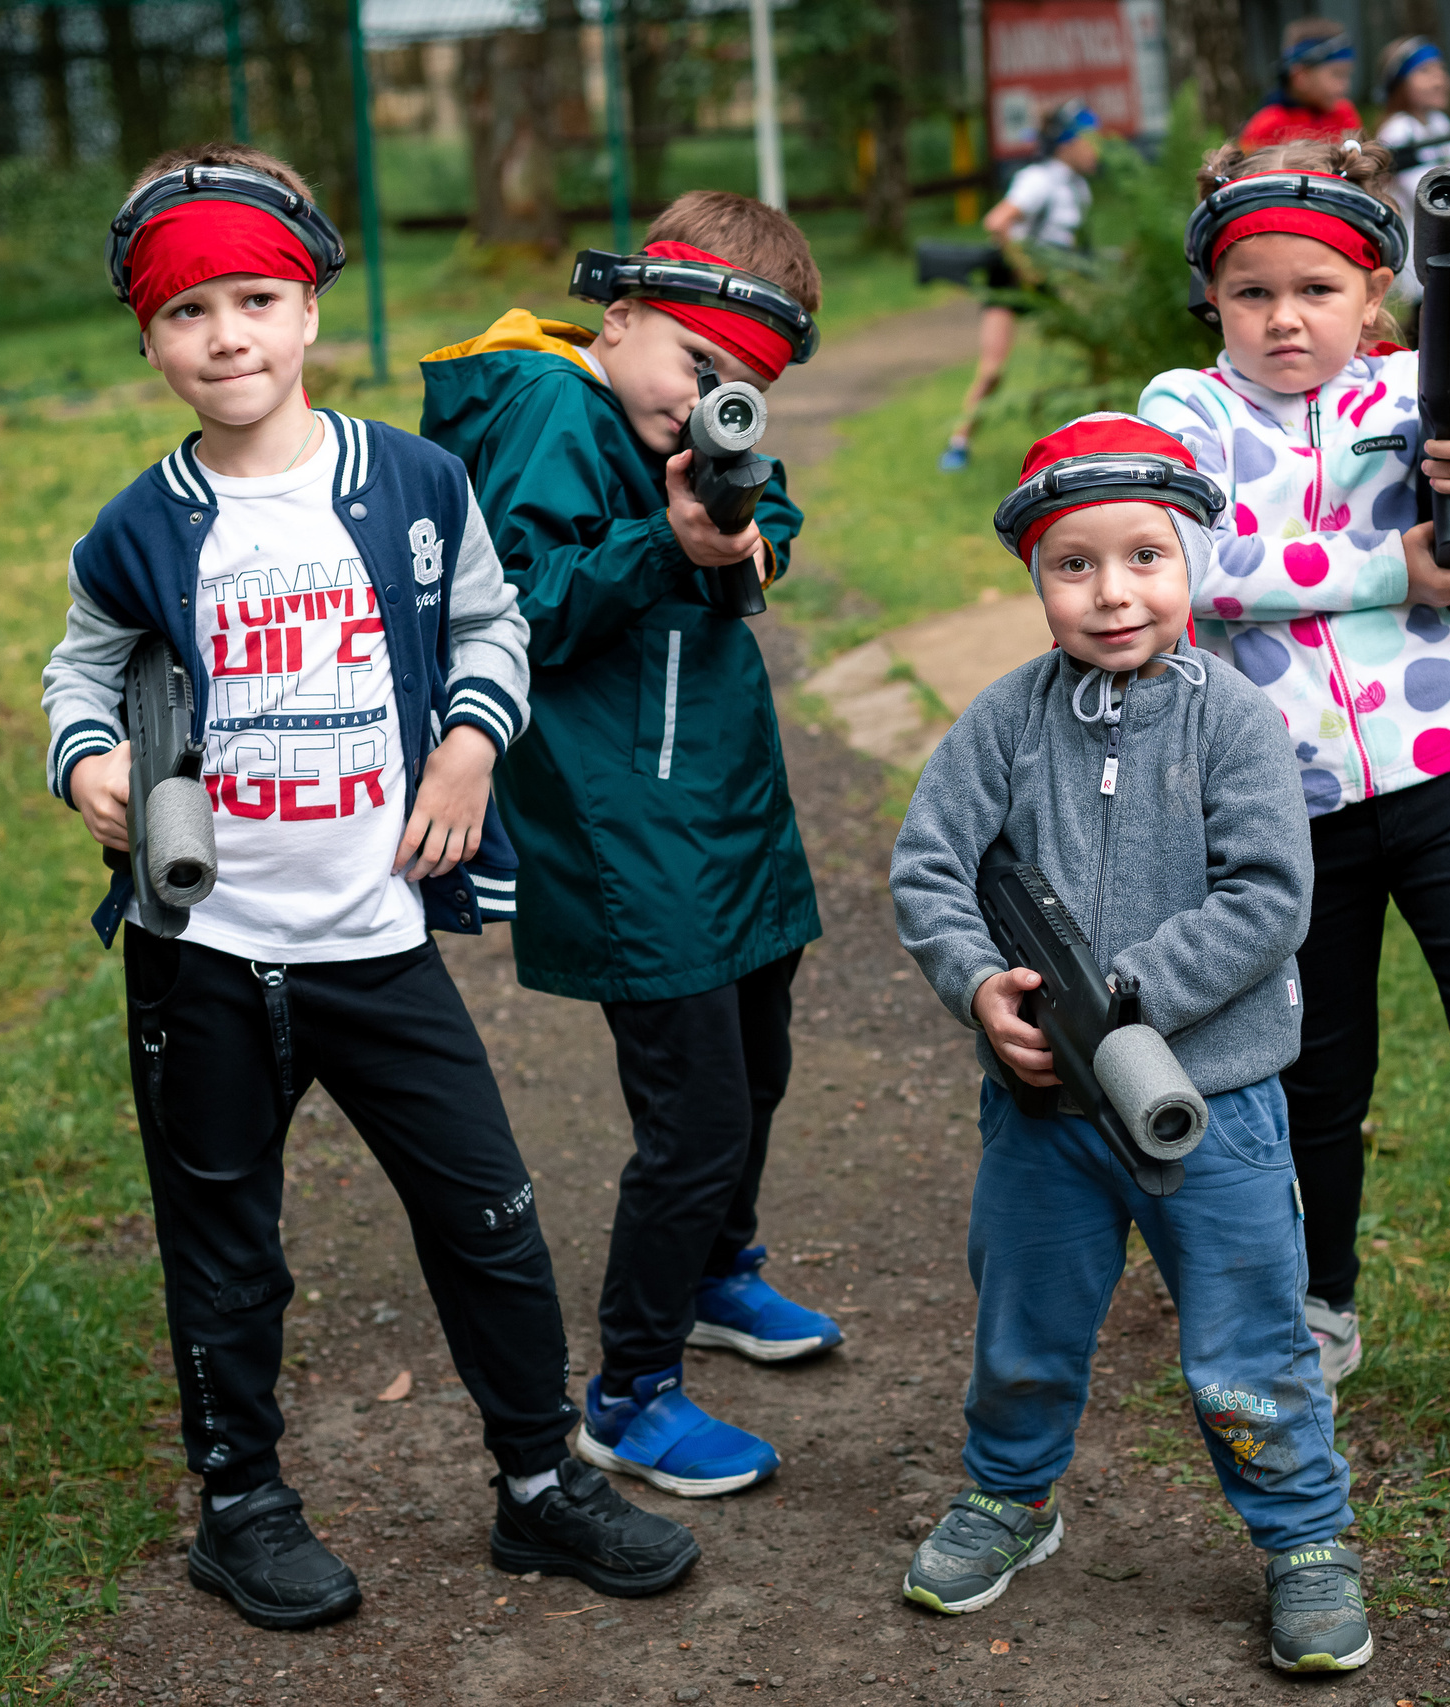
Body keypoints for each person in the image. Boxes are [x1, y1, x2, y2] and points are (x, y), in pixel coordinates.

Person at [41, 143, 702, 1629]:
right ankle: (243, 1504)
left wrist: (470, 748)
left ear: (308, 312)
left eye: (256, 298)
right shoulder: (139, 525)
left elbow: (492, 623)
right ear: (148, 338)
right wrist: (87, 759)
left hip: (371, 939)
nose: (227, 335)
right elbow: (82, 664)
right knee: (225, 1240)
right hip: (204, 951)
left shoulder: (410, 480)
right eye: (189, 310)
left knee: (490, 1212)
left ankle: (541, 1483)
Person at [1140, 137, 1450, 1506]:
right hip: (1276, 799)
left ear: (1373, 296)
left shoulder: (1421, 386)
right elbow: (1191, 562)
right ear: (1213, 303)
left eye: (1317, 289)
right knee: (1311, 1077)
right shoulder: (1186, 409)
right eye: (1251, 291)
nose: (1285, 318)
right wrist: (1380, 561)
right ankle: (1322, 1304)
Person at [888, 413, 1370, 1673]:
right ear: (1035, 580)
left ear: (1193, 562)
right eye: (1074, 564)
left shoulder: (1235, 721)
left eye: (1146, 557)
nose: (1113, 593)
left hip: (1211, 1109)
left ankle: (1304, 1540)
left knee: (1247, 1338)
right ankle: (1009, 1495)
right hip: (1043, 1113)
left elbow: (1269, 896)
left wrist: (1128, 995)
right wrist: (984, 989)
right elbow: (930, 869)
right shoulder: (1004, 719)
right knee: (1025, 1322)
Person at [420, 191, 840, 1502]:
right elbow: (519, 608)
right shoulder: (549, 410)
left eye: (741, 390)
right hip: (627, 829)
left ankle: (717, 1269)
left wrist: (740, 530)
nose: (706, 400)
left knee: (758, 1058)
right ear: (620, 313)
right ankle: (631, 1392)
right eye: (697, 369)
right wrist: (665, 540)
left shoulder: (668, 423)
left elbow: (765, 526)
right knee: (697, 1112)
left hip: (722, 812)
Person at [937, 101, 1101, 472]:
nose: (1096, 148)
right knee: (993, 369)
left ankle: (1094, 437)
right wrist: (1026, 270)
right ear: (1066, 144)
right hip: (1015, 279)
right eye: (1088, 140)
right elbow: (997, 222)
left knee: (1097, 349)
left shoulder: (1078, 188)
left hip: (1055, 281)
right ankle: (959, 442)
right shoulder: (1039, 179)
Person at [1373, 35, 1450, 316]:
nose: (1439, 79)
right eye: (1425, 71)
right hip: (1422, 253)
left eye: (1441, 70)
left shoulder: (1440, 124)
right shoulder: (1397, 131)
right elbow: (1429, 192)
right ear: (1399, 84)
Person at [1237, 21, 1364, 152]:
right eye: (1337, 74)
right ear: (1300, 77)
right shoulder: (1267, 125)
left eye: (1347, 75)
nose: (1345, 86)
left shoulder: (1344, 113)